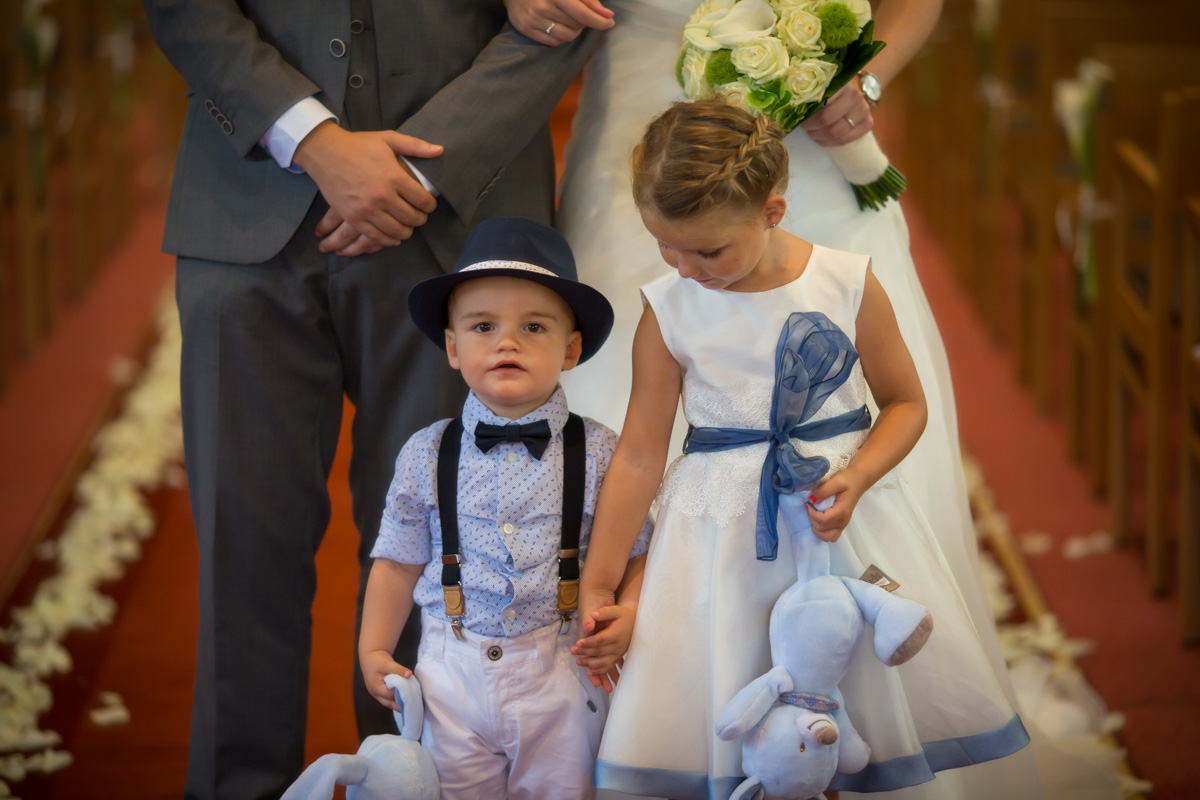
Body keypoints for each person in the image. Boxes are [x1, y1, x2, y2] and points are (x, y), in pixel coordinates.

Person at [138, 4, 602, 798]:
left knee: (452, 543)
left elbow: (570, 11)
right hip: (247, 203)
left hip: (465, 215)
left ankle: (416, 782)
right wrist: (308, 136)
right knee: (244, 542)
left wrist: (424, 169)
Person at [571, 100, 1041, 799]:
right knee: (734, 704)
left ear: (773, 211)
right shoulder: (669, 307)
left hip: (838, 522)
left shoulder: (845, 282)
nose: (686, 268)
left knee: (846, 707)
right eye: (666, 246)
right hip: (720, 546)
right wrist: (601, 582)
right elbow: (641, 454)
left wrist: (860, 475)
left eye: (708, 251)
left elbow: (906, 403)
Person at [359, 216, 652, 799]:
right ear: (453, 346)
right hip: (451, 671)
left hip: (562, 669)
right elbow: (397, 560)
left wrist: (631, 610)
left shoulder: (600, 451)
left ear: (571, 349)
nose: (507, 342)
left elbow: (638, 549)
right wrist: (374, 647)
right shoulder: (426, 451)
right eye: (483, 325)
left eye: (534, 326)